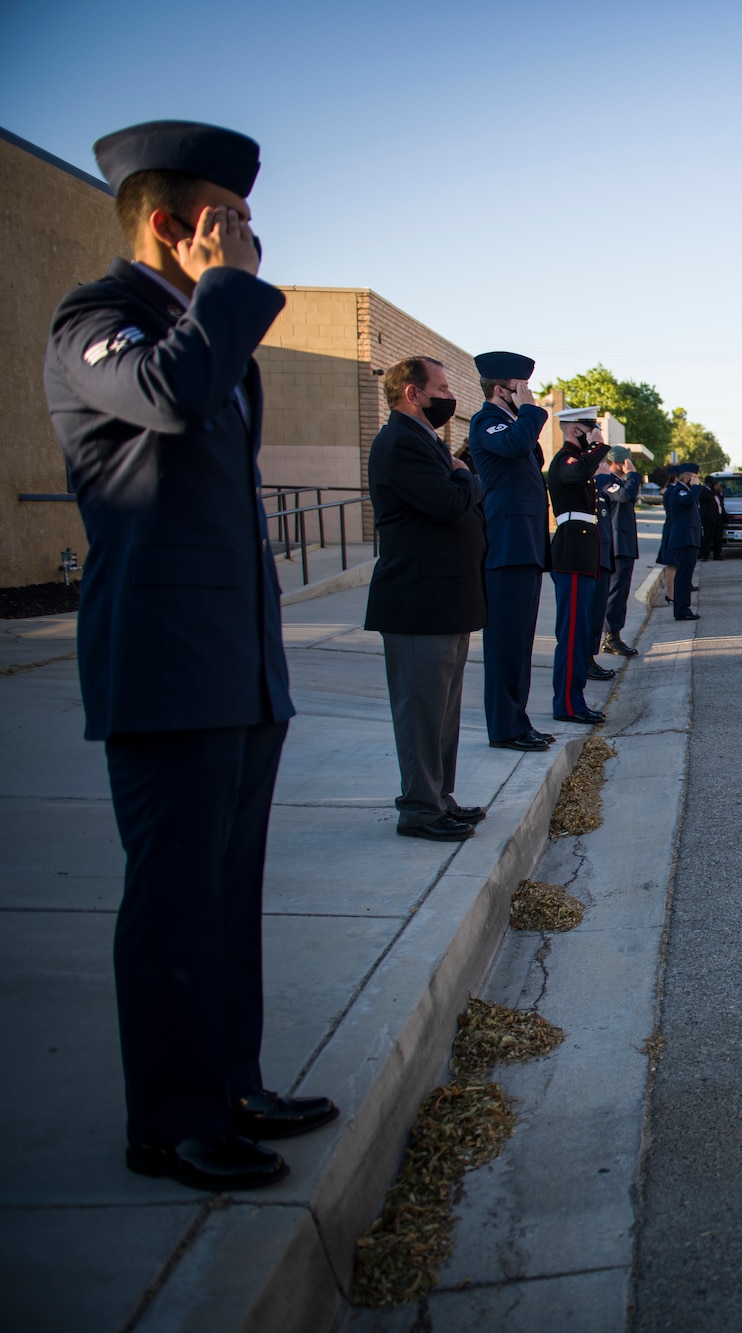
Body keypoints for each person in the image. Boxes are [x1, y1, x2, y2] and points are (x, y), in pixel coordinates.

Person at [44, 119, 337, 1192]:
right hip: (163, 659)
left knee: (227, 889)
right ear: (175, 225)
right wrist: (223, 288)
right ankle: (169, 1118)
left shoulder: (204, 331)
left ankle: (232, 1079)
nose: (252, 242)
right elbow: (170, 398)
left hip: (235, 657)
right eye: (235, 221)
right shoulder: (100, 321)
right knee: (171, 898)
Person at [363, 357, 487, 843]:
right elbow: (448, 502)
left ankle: (439, 798)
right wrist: (464, 477)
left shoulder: (423, 441)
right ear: (413, 393)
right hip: (419, 600)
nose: (447, 396)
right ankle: (418, 808)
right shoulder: (399, 442)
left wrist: (459, 474)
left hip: (446, 598)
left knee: (442, 715)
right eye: (440, 387)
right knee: (421, 713)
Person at [467, 352, 551, 753]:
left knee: (520, 644)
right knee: (504, 644)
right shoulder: (486, 422)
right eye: (524, 388)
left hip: (525, 545)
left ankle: (518, 721)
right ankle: (504, 727)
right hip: (506, 546)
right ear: (503, 390)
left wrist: (526, 416)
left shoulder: (514, 425)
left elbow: (529, 453)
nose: (531, 395)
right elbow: (518, 448)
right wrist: (531, 413)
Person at [547, 421, 611, 722]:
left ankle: (575, 699)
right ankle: (568, 704)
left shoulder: (577, 460)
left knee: (580, 630)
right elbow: (580, 471)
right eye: (590, 430)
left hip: (582, 553)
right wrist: (599, 447)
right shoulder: (565, 460)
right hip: (572, 552)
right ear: (575, 429)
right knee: (571, 634)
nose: (594, 436)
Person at [593, 454, 642, 656]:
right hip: (616, 544)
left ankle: (614, 633)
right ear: (619, 462)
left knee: (621, 592)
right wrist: (633, 474)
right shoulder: (609, 481)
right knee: (614, 593)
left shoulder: (618, 481)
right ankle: (610, 637)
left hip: (625, 543)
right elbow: (624, 496)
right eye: (626, 461)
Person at [658, 463, 704, 620]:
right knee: (683, 578)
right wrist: (696, 487)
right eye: (694, 477)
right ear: (687, 477)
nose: (697, 480)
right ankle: (682, 610)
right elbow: (688, 500)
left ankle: (683, 608)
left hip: (688, 540)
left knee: (685, 577)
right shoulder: (679, 490)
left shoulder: (685, 490)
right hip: (683, 540)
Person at [699, 477, 726, 561]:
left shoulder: (714, 492)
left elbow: (720, 500)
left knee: (718, 537)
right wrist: (716, 490)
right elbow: (709, 497)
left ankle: (717, 554)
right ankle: (705, 555)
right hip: (709, 518)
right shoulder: (703, 491)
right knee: (708, 537)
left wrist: (720, 492)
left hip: (718, 518)